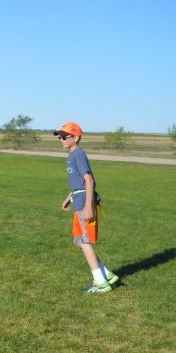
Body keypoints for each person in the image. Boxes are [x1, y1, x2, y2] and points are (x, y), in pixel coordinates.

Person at [54, 122, 119, 292]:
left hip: (84, 203)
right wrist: (70, 196)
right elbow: (80, 181)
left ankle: (101, 283)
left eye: (64, 136)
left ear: (75, 137)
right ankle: (107, 274)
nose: (60, 139)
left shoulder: (78, 154)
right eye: (59, 136)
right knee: (79, 241)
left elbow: (89, 180)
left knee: (84, 241)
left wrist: (89, 206)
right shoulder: (72, 154)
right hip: (79, 199)